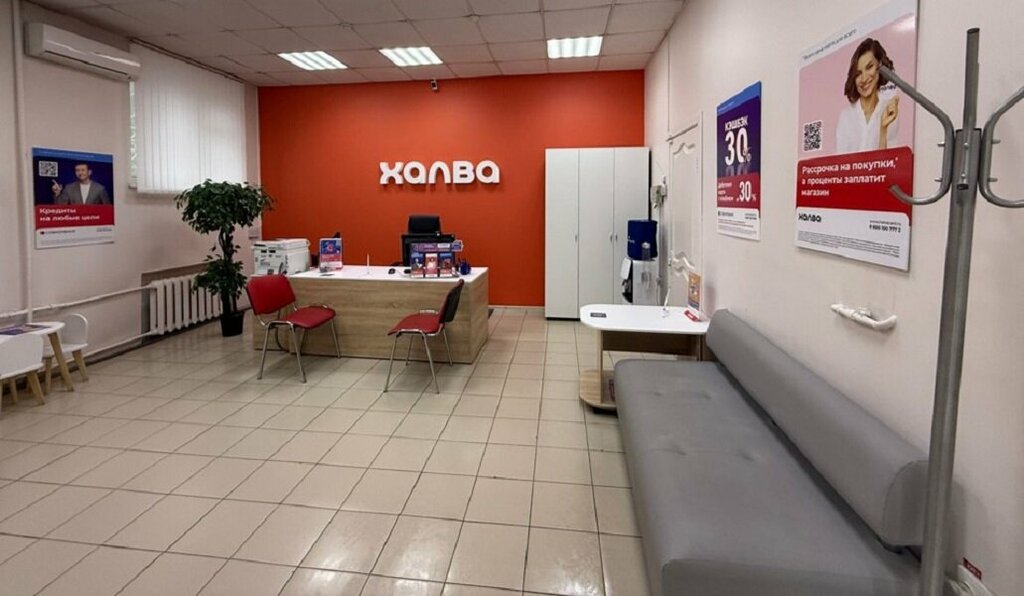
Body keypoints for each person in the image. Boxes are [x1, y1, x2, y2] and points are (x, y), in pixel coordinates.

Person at [834, 38, 900, 154]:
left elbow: (889, 162)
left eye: (869, 67)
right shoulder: (846, 117)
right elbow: (840, 162)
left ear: (880, 66)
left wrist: (883, 129)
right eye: (858, 73)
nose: (864, 79)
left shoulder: (889, 111)